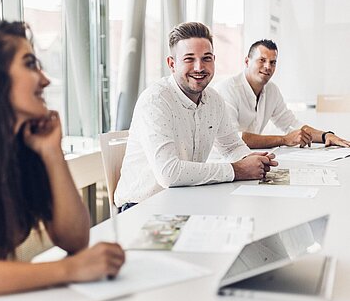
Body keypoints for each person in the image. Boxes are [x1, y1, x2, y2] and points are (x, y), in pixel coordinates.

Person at [0, 19, 124, 301]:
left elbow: (74, 240)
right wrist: (69, 270)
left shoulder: (19, 144)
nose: (45, 79)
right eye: (30, 64)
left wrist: (51, 153)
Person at [114, 22, 278, 210]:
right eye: (189, 59)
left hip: (184, 199)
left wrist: (251, 159)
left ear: (214, 60)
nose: (199, 67)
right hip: (141, 207)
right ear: (172, 64)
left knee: (248, 220)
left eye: (206, 58)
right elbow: (169, 173)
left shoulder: (214, 100)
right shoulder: (155, 101)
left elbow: (231, 146)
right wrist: (237, 170)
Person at [214, 39, 350, 149]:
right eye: (262, 60)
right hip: (223, 161)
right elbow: (235, 138)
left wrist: (326, 136)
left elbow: (292, 124)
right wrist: (284, 140)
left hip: (251, 158)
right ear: (247, 61)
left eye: (273, 62)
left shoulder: (272, 90)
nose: (268, 66)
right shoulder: (227, 89)